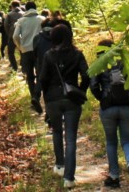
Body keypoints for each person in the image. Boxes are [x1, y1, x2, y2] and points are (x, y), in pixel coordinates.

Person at [36, 24, 89, 189]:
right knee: (71, 137)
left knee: (57, 132)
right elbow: (87, 75)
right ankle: (69, 178)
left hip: (53, 99)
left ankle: (60, 165)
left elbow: (42, 78)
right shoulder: (77, 54)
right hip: (72, 99)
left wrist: (37, 96)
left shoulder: (49, 55)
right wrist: (80, 90)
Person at [90, 40, 129, 190]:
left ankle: (114, 176)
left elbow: (93, 86)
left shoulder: (99, 64)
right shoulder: (124, 60)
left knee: (111, 142)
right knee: (127, 140)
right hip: (127, 106)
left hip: (108, 108)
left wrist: (103, 98)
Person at [12, 0, 45, 112]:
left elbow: (15, 36)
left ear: (25, 9)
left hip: (26, 51)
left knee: (30, 75)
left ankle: (33, 97)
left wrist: (20, 46)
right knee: (40, 74)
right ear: (36, 8)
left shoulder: (21, 21)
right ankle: (37, 95)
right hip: (39, 50)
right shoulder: (42, 19)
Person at [4, 0, 25, 71]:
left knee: (10, 52)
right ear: (19, 5)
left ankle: (14, 67)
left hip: (12, 35)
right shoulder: (24, 14)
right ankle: (23, 66)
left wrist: (9, 33)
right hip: (22, 35)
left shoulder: (9, 14)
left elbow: (6, 25)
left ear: (12, 6)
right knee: (22, 51)